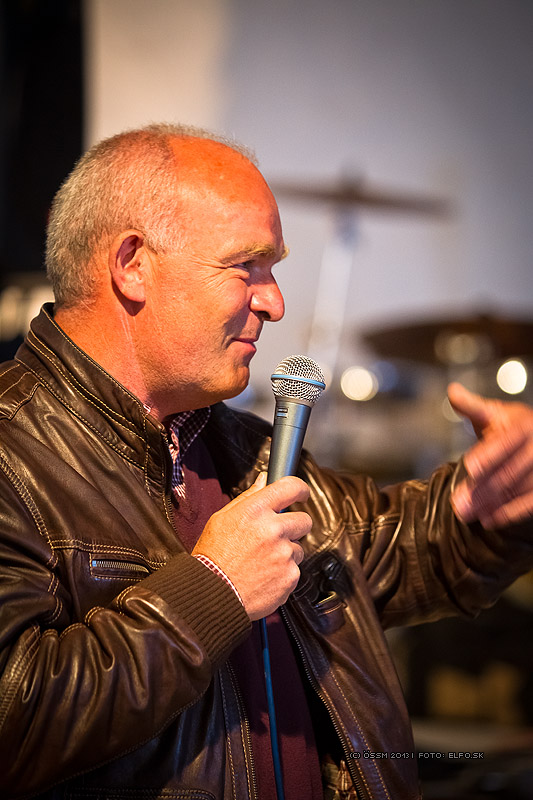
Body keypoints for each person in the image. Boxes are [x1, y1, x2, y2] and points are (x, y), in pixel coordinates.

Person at [0, 123, 532, 800]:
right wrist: (213, 591)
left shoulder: (240, 446)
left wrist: (491, 500)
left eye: (272, 270)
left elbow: (386, 547)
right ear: (132, 264)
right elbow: (15, 717)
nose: (274, 302)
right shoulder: (13, 450)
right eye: (245, 266)